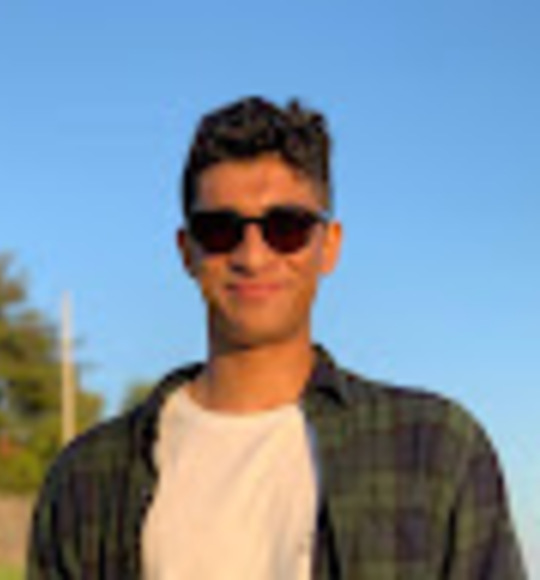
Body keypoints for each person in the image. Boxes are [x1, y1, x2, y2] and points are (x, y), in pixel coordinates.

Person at [28, 97, 526, 579]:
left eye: (286, 228)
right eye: (219, 229)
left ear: (329, 246)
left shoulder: (435, 451)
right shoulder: (86, 479)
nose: (253, 256)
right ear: (186, 251)